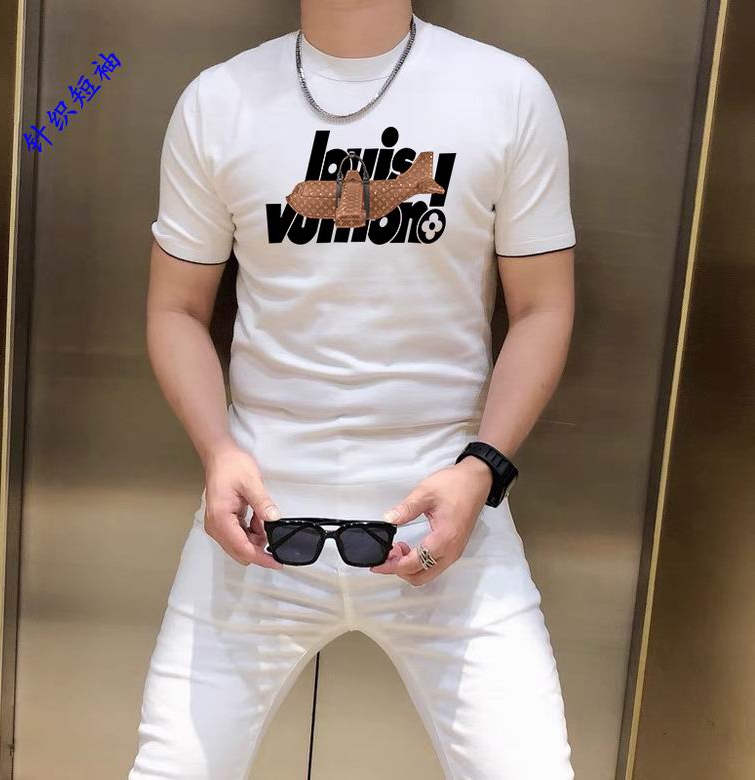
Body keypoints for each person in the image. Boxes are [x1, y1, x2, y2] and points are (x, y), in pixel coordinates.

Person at [129, 1, 577, 778]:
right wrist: (217, 452)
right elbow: (176, 310)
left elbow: (542, 308)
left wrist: (483, 469)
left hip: (451, 529)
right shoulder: (219, 100)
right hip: (256, 532)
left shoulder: (507, 93)